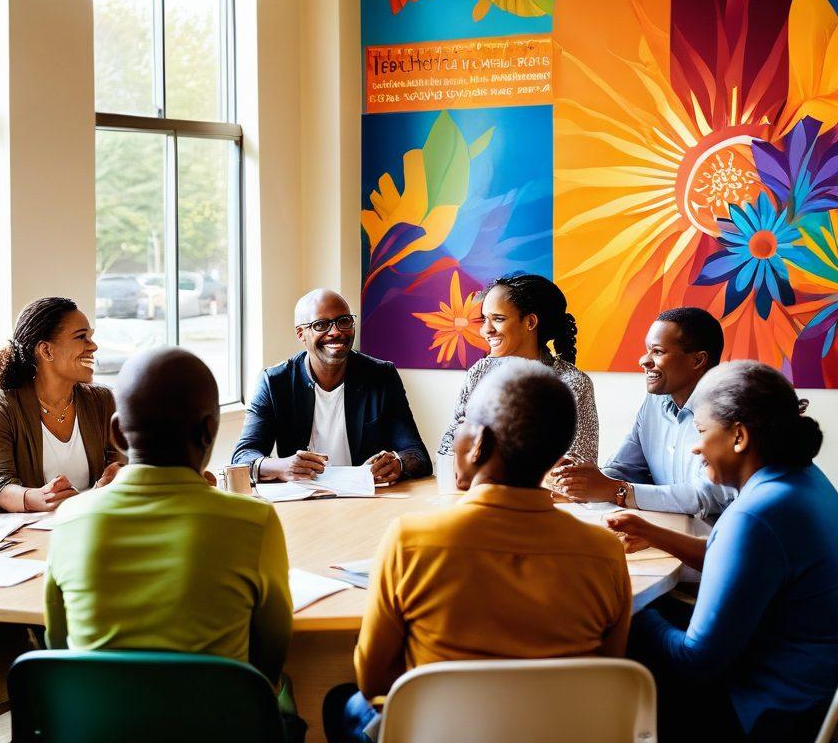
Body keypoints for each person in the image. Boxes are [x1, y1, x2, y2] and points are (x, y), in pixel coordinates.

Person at [324, 360, 631, 743]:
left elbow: (373, 681)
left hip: (439, 734)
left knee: (340, 700)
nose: (454, 437)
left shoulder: (411, 541)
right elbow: (606, 673)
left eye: (463, 424)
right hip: (560, 734)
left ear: (479, 445)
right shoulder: (604, 552)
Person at [44, 347, 304, 740]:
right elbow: (268, 659)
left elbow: (60, 646)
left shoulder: (70, 520)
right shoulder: (253, 521)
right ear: (208, 432)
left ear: (116, 433)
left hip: (101, 731)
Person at [607, 361, 838, 742]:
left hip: (771, 710)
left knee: (626, 648)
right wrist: (654, 534)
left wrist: (629, 609)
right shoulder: (801, 480)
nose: (696, 447)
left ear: (739, 436)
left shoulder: (756, 515)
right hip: (814, 687)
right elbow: (741, 566)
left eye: (700, 430)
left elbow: (694, 662)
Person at [232, 289, 431, 485]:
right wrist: (282, 466)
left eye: (343, 321)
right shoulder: (275, 382)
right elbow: (242, 456)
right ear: (301, 334)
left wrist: (397, 464)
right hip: (304, 501)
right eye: (321, 325)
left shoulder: (381, 376)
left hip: (368, 500)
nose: (336, 332)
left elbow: (417, 454)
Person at [553, 307, 734, 518]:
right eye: (648, 350)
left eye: (657, 351)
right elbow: (625, 467)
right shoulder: (654, 402)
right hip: (663, 535)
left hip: (710, 543)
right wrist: (581, 483)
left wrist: (617, 490)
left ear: (698, 360)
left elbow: (709, 497)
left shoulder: (727, 412)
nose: (643, 360)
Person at [0, 297, 123, 513]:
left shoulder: (102, 400)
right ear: (46, 351)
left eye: (90, 337)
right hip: (31, 534)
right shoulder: (0, 407)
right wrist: (38, 498)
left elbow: (118, 467)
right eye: (81, 337)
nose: (93, 346)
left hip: (92, 523)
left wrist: (109, 482)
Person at [438, 272, 598, 464]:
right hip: (474, 491)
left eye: (498, 319)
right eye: (484, 320)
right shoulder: (479, 372)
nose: (485, 330)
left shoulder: (572, 383)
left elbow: (578, 472)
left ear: (530, 322)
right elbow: (447, 450)